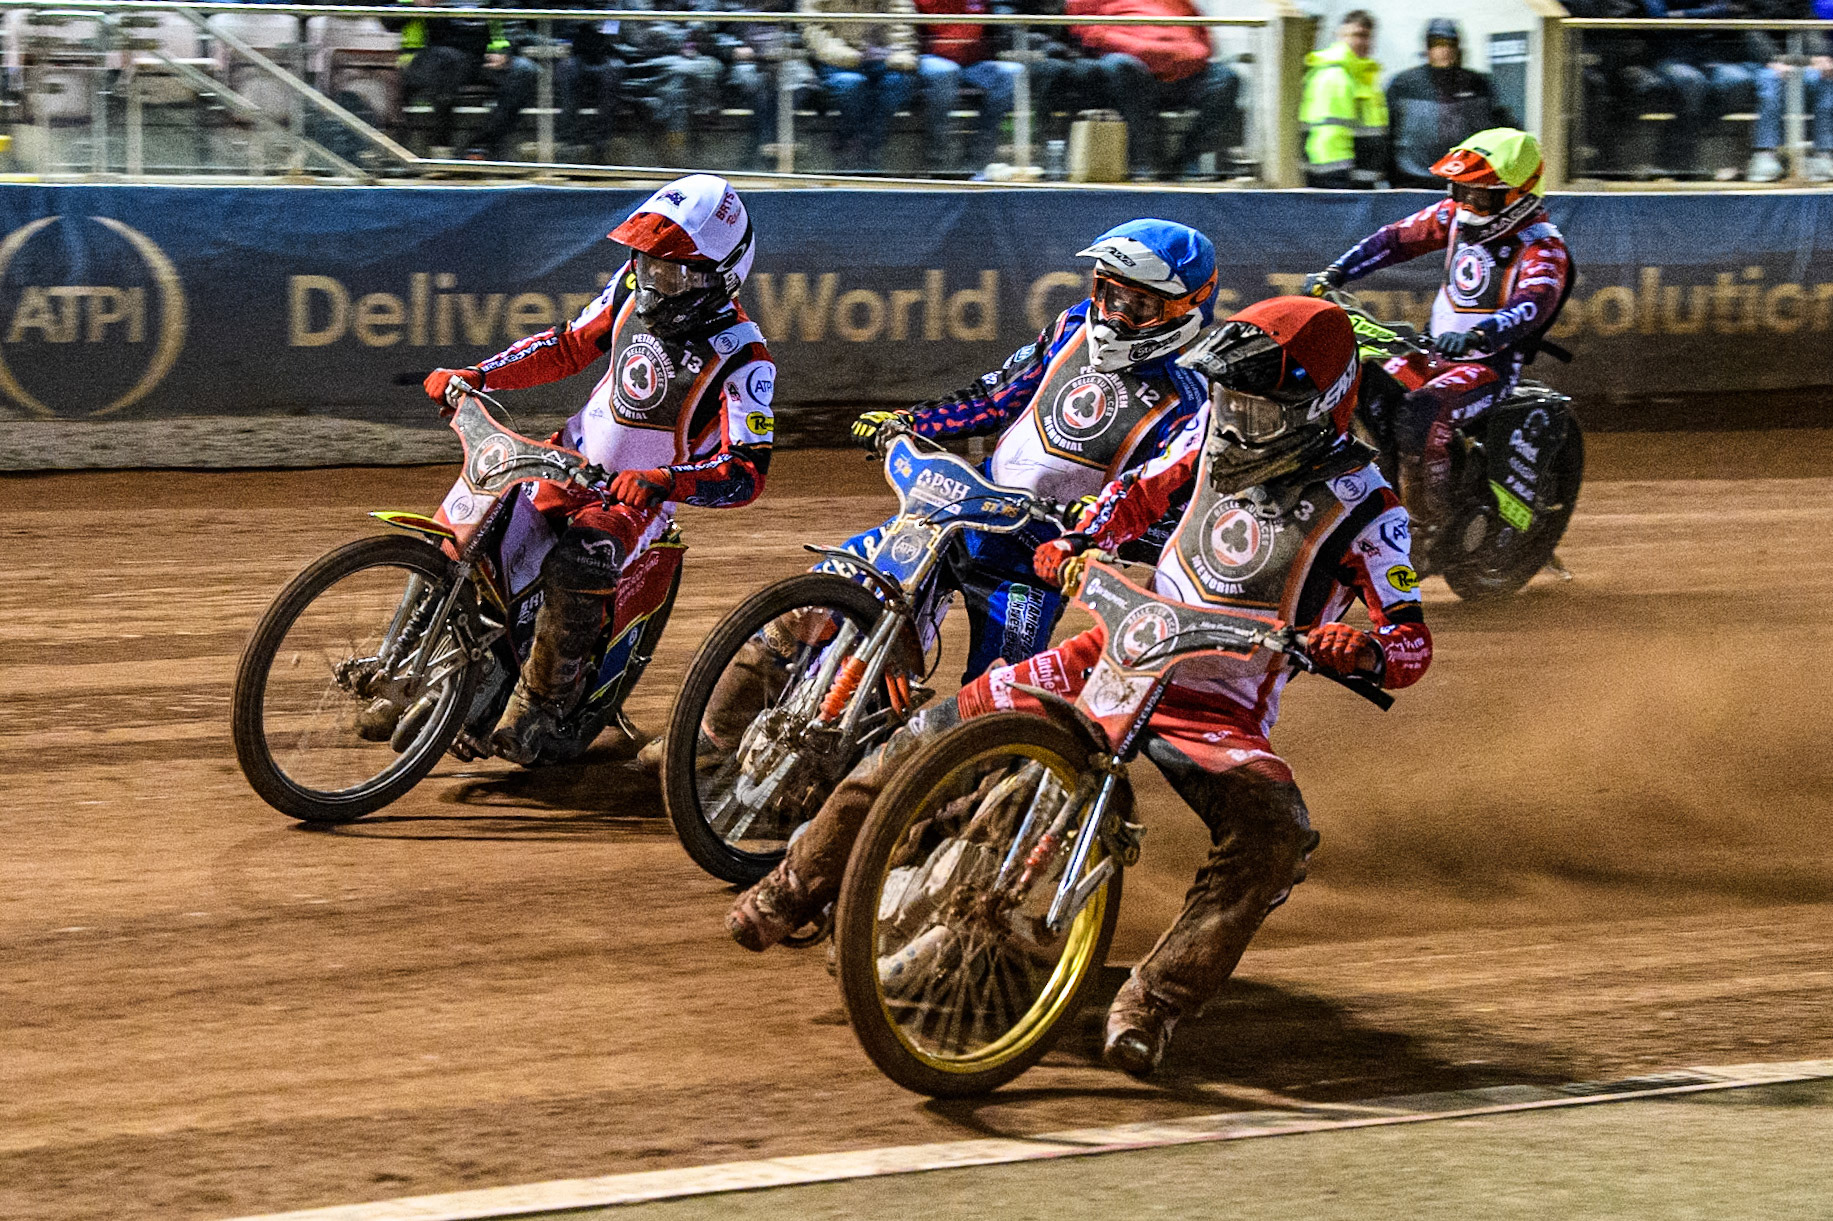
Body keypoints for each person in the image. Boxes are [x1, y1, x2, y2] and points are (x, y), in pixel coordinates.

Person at [727, 295, 1432, 1078]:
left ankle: (1154, 1000)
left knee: (1275, 836)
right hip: (1117, 646)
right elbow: (1137, 495)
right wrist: (1080, 537)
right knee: (928, 734)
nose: (1234, 415)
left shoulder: (1371, 509)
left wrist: (1359, 652)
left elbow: (1409, 641)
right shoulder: (1208, 435)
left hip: (1218, 702)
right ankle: (793, 886)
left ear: (1318, 409)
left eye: (1256, 405)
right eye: (1229, 396)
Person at [662, 219, 1215, 772]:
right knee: (816, 599)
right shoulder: (1071, 325)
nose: (1116, 315)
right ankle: (706, 745)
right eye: (1109, 293)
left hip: (1032, 567)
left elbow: (1168, 515)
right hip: (957, 511)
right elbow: (995, 397)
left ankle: (936, 824)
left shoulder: (1189, 403)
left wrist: (1094, 526)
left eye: (1138, 306)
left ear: (1184, 308)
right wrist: (909, 420)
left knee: (997, 710)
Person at [422, 175, 774, 765]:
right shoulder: (629, 290)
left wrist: (665, 481)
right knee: (472, 535)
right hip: (565, 462)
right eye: (645, 261)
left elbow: (745, 471)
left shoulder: (744, 356)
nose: (651, 278)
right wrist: (480, 374)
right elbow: (565, 346)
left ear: (723, 274)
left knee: (576, 562)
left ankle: (540, 707)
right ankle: (413, 664)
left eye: (670, 270)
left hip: (635, 507)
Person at [1305, 127, 1571, 558]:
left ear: (1518, 194)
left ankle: (1425, 526)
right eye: (1459, 189)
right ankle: (1375, 487)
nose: (1466, 204)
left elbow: (1533, 305)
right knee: (1361, 383)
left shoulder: (1541, 247)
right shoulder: (1453, 217)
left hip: (1488, 364)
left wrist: (1480, 334)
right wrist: (1335, 273)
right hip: (1433, 353)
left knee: (1420, 415)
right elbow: (1393, 240)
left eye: (1480, 195)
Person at [1066, 0, 1242, 181]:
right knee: (1120, 66)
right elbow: (1083, 26)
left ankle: (1188, 159)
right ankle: (1142, 163)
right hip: (1132, 70)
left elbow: (1198, 26)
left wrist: (1189, 52)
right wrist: (1136, 47)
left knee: (1225, 79)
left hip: (1184, 70)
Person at [386, 0, 539, 159]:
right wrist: (415, 5)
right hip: (436, 56)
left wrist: (503, 51)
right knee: (449, 62)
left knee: (525, 70)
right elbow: (388, 20)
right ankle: (440, 147)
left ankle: (479, 147)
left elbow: (511, 19)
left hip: (483, 59)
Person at [1385, 18, 1507, 188]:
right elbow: (1389, 133)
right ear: (1428, 48)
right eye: (1438, 44)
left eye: (1450, 44)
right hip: (1413, 180)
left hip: (1464, 180)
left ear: (1457, 48)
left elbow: (1495, 130)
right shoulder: (1404, 84)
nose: (1445, 50)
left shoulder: (1477, 84)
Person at [800, 0, 920, 171]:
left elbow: (901, 23)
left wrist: (898, 54)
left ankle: (867, 146)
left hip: (881, 57)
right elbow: (815, 31)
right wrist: (854, 56)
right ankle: (853, 146)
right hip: (836, 59)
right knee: (851, 84)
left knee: (897, 82)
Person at [914, 0, 1025, 173]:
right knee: (945, 72)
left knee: (1012, 72)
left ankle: (980, 155)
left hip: (972, 63)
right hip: (930, 58)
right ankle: (939, 156)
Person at [1299, 9, 1385, 188]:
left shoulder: (1363, 76)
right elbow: (1329, 135)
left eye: (1367, 36)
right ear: (1339, 35)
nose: (1361, 42)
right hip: (1338, 181)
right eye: (1356, 35)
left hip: (1360, 182)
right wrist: (1337, 181)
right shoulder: (1334, 76)